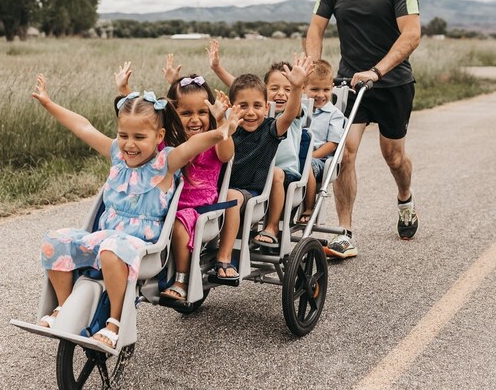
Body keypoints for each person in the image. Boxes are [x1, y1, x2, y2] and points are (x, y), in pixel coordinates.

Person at [33, 74, 239, 348]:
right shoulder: (118, 153)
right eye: (123, 135)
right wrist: (48, 103)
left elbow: (192, 146)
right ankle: (63, 306)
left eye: (139, 137)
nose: (129, 144)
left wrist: (221, 130)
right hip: (106, 236)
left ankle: (115, 321)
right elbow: (83, 127)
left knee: (110, 250)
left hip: (145, 245)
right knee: (54, 241)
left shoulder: (166, 162)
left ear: (159, 137)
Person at [305, 0, 421, 258]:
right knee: (344, 152)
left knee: (394, 156)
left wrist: (378, 70)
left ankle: (405, 200)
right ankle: (345, 231)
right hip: (349, 82)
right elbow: (316, 29)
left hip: (392, 82)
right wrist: (313, 68)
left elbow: (411, 34)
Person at [115, 58, 238, 294]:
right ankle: (133, 266)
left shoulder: (212, 140)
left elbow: (226, 154)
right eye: (186, 113)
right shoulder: (170, 141)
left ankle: (181, 280)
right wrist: (124, 92)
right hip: (167, 204)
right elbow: (144, 122)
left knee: (180, 225)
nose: (195, 119)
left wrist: (221, 122)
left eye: (202, 112)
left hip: (201, 207)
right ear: (173, 113)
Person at [216, 54, 312, 276]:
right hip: (224, 189)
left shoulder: (270, 130)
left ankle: (224, 258)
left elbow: (288, 116)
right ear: (232, 107)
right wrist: (221, 120)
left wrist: (296, 87)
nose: (251, 112)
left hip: (254, 193)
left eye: (257, 106)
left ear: (266, 106)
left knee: (231, 195)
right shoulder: (230, 127)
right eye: (243, 106)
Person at [296, 59, 346, 226]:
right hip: (295, 154)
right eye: (314, 89)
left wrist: (310, 156)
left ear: (332, 88)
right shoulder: (299, 109)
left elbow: (333, 144)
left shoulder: (334, 114)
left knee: (307, 164)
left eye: (326, 89)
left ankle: (310, 207)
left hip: (320, 160)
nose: (320, 94)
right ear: (303, 88)